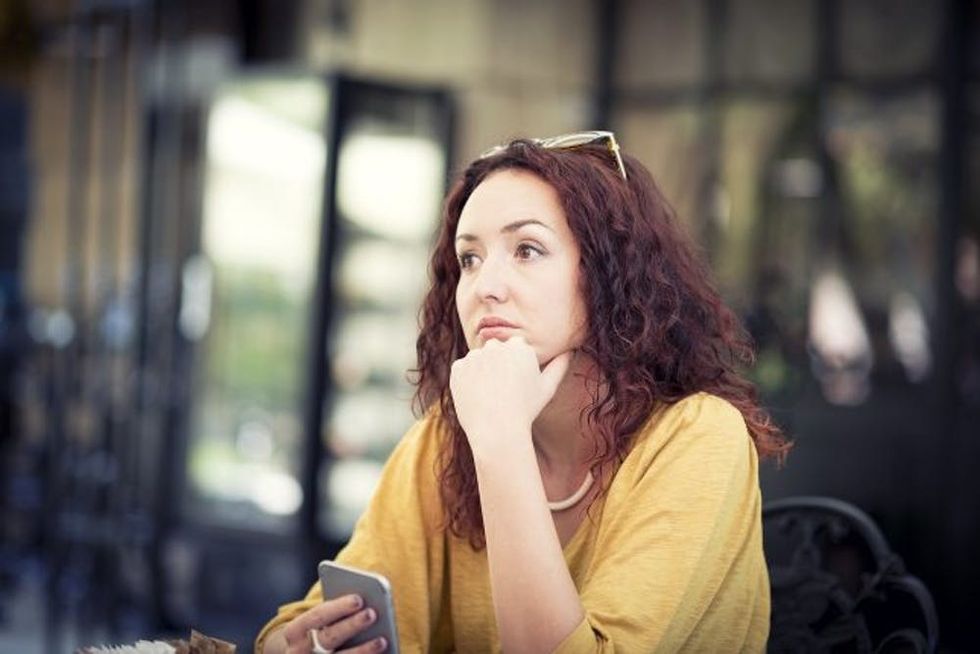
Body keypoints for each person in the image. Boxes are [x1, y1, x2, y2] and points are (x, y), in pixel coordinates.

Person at [255, 131, 790, 653]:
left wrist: (502, 443)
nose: (486, 286)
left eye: (528, 249)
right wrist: (296, 643)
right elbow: (310, 618)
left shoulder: (699, 437)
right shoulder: (445, 438)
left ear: (608, 273)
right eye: (469, 258)